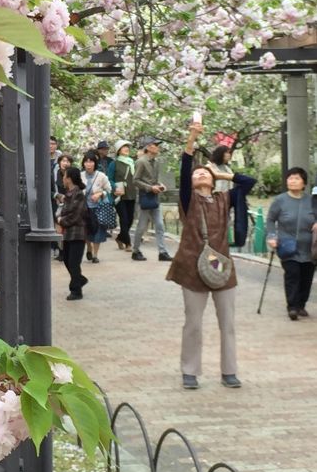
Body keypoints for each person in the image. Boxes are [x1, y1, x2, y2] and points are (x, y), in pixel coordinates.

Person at [166, 123, 256, 389]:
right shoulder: (188, 200)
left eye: (206, 173)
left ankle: (229, 371)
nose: (201, 176)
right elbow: (185, 167)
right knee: (193, 322)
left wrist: (223, 176)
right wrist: (192, 137)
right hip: (192, 268)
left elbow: (249, 182)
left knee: (227, 323)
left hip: (222, 268)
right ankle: (190, 371)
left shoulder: (223, 199)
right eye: (198, 174)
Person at [266, 167, 316, 321]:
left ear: (304, 183)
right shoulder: (280, 200)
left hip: (310, 247)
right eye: (290, 178)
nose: (292, 181)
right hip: (288, 245)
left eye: (296, 178)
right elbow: (270, 220)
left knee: (307, 277)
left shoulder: (312, 200)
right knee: (292, 275)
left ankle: (301, 304)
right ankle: (292, 307)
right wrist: (272, 236)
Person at [131, 137, 172, 262]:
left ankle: (162, 252)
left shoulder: (156, 162)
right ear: (148, 147)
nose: (158, 147)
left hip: (154, 197)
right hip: (145, 198)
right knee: (142, 226)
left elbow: (153, 180)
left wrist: (160, 185)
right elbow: (135, 180)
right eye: (155, 145)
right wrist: (150, 188)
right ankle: (135, 250)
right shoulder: (141, 162)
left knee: (159, 225)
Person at [56, 166, 89, 300]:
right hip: (68, 233)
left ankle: (76, 290)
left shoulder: (79, 194)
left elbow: (75, 215)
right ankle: (79, 280)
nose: (63, 179)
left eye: (64, 176)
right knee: (68, 261)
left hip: (77, 233)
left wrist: (60, 220)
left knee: (74, 262)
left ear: (69, 179)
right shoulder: (68, 194)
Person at [81, 150, 112, 263]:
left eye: (91, 162)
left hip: (98, 208)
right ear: (83, 163)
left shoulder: (101, 176)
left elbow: (109, 189)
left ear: (95, 163)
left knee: (98, 231)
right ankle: (89, 247)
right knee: (87, 230)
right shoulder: (80, 176)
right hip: (84, 208)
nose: (89, 164)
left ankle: (95, 254)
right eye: (86, 162)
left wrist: (100, 194)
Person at [108, 140, 136, 251]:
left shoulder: (132, 162)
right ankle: (128, 243)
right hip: (119, 194)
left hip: (131, 193)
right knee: (124, 219)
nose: (126, 149)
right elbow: (109, 178)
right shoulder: (114, 163)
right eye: (124, 147)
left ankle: (120, 238)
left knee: (130, 219)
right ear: (118, 150)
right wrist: (115, 187)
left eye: (127, 147)